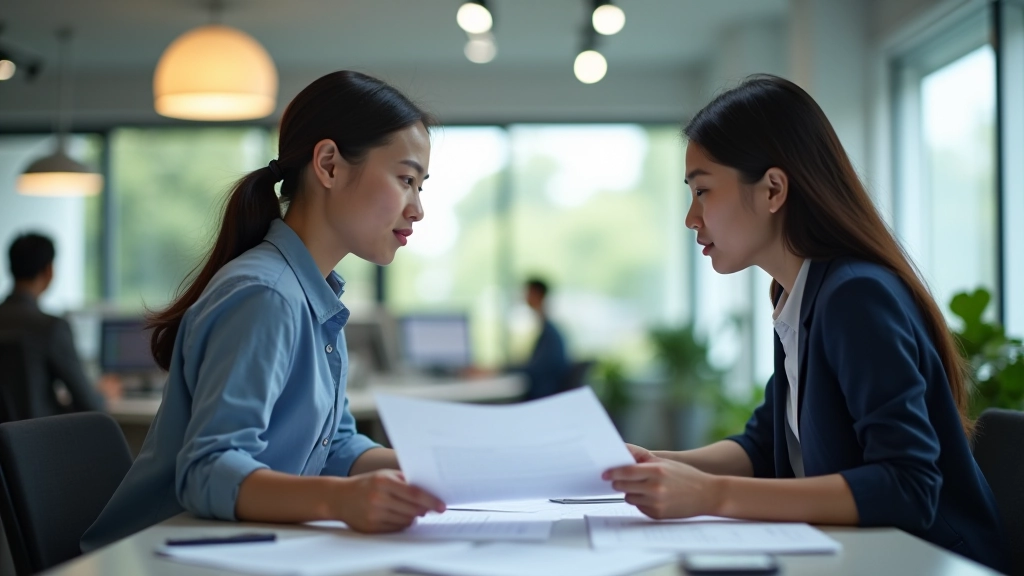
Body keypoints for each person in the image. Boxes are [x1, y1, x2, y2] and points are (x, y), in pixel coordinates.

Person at [603, 75, 1010, 572]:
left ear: (773, 189)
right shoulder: (799, 295)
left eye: (703, 191)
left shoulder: (855, 296)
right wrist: (653, 463)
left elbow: (909, 486)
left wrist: (711, 494)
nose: (692, 218)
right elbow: (763, 445)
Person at [82, 71, 445, 551]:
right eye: (405, 180)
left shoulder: (311, 296)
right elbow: (208, 471)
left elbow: (333, 446)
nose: (417, 208)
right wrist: (341, 501)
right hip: (157, 558)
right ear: (330, 165)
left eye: (421, 187)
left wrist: (435, 469)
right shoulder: (266, 295)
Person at [0, 233, 110, 420]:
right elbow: (88, 403)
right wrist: (102, 394)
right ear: (49, 270)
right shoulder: (50, 327)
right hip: (37, 440)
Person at [516, 277, 569, 400]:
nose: (524, 298)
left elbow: (534, 369)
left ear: (536, 294)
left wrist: (498, 370)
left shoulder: (550, 335)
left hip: (543, 397)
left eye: (527, 293)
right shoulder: (548, 331)